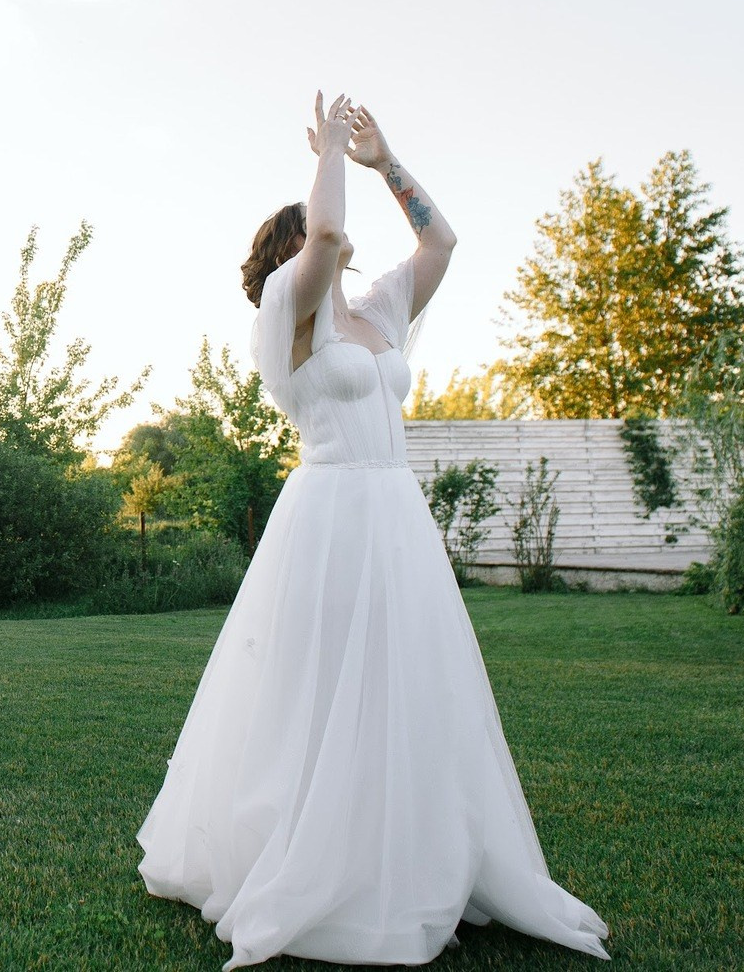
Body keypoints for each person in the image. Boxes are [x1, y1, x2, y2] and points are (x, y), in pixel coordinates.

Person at [136, 95, 610, 966]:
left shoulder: (377, 314)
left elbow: (442, 245)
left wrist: (383, 160)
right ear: (288, 252)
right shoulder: (288, 316)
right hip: (331, 520)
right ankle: (319, 861)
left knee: (405, 682)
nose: (332, 232)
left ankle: (409, 850)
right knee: (323, 689)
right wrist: (323, 153)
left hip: (397, 518)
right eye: (316, 228)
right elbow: (322, 238)